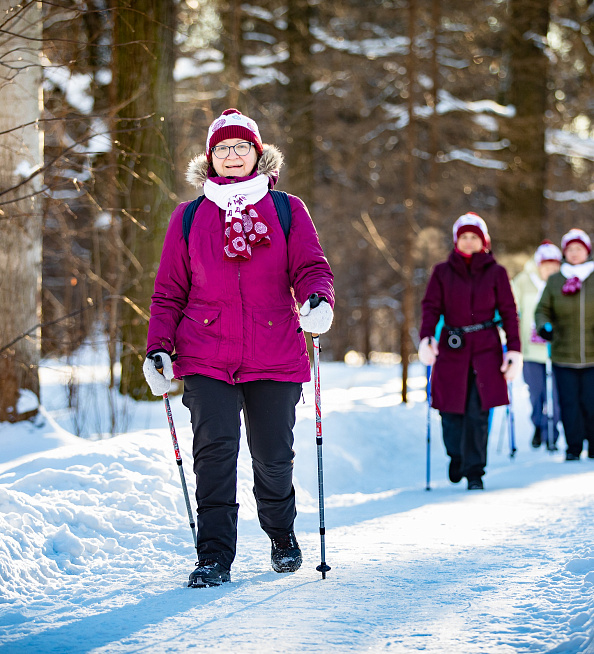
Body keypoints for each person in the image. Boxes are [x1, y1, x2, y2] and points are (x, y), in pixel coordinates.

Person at [142, 108, 335, 587]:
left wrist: (317, 300)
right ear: (210, 158)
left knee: (273, 456)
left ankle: (281, 534)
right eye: (223, 148)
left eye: (241, 147)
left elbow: (311, 266)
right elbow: (169, 291)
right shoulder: (188, 217)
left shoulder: (287, 208)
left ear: (257, 152)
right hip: (205, 351)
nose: (232, 155)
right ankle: (214, 556)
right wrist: (158, 347)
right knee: (214, 453)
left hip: (274, 349)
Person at [418, 213, 522, 490]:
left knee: (478, 412)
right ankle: (457, 455)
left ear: (483, 241)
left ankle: (475, 471)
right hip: (452, 348)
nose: (468, 241)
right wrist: (427, 337)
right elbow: (430, 307)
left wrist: (514, 349)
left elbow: (510, 313)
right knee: (450, 411)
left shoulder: (497, 272)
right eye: (463, 236)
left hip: (486, 349)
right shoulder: (442, 271)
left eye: (474, 236)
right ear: (456, 241)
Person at [535, 228, 594, 462]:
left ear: (586, 251)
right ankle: (573, 446)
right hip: (563, 355)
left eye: (579, 248)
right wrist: (545, 326)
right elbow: (542, 310)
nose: (574, 253)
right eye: (570, 249)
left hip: (592, 356)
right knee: (569, 404)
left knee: (591, 403)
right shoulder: (556, 280)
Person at [511, 241, 562, 450]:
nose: (550, 268)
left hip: (558, 348)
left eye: (554, 264)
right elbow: (511, 307)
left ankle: (553, 431)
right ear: (538, 264)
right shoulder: (523, 281)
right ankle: (538, 426)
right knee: (536, 392)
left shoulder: (563, 281)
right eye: (546, 263)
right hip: (531, 350)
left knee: (558, 395)